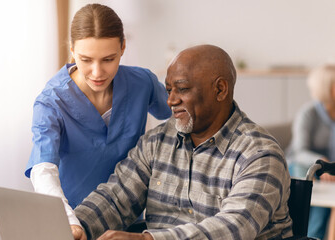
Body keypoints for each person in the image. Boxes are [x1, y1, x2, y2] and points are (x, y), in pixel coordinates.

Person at [71, 44, 293, 240]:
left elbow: (234, 228)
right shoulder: (156, 142)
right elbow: (115, 199)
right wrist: (73, 226)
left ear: (220, 89)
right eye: (168, 90)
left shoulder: (260, 154)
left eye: (182, 89)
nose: (170, 100)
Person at [24, 3, 171, 229]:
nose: (97, 72)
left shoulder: (142, 83)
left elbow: (178, 112)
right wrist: (69, 221)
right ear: (72, 50)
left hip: (130, 218)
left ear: (123, 47)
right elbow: (43, 169)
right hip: (76, 221)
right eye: (86, 60)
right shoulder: (51, 102)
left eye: (108, 59)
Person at [286, 65, 335, 240]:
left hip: (330, 169)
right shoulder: (309, 113)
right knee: (319, 209)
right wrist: (321, 162)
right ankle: (312, 236)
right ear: (328, 87)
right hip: (305, 167)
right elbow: (299, 152)